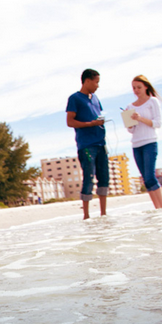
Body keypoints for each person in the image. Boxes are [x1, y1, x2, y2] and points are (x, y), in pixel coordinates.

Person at [66, 68, 108, 219]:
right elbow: (70, 122)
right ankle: (86, 215)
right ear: (87, 81)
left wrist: (100, 122)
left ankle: (103, 214)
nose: (98, 85)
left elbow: (99, 115)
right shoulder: (74, 98)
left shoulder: (96, 98)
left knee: (104, 178)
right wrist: (91, 123)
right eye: (96, 82)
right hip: (86, 145)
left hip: (101, 143)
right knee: (88, 178)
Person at [125, 74, 162, 210]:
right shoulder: (130, 106)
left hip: (150, 142)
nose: (136, 90)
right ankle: (157, 208)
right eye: (134, 88)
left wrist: (140, 118)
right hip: (136, 145)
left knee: (150, 177)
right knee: (145, 179)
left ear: (146, 87)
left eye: (139, 87)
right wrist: (130, 121)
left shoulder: (152, 101)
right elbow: (131, 130)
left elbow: (157, 123)